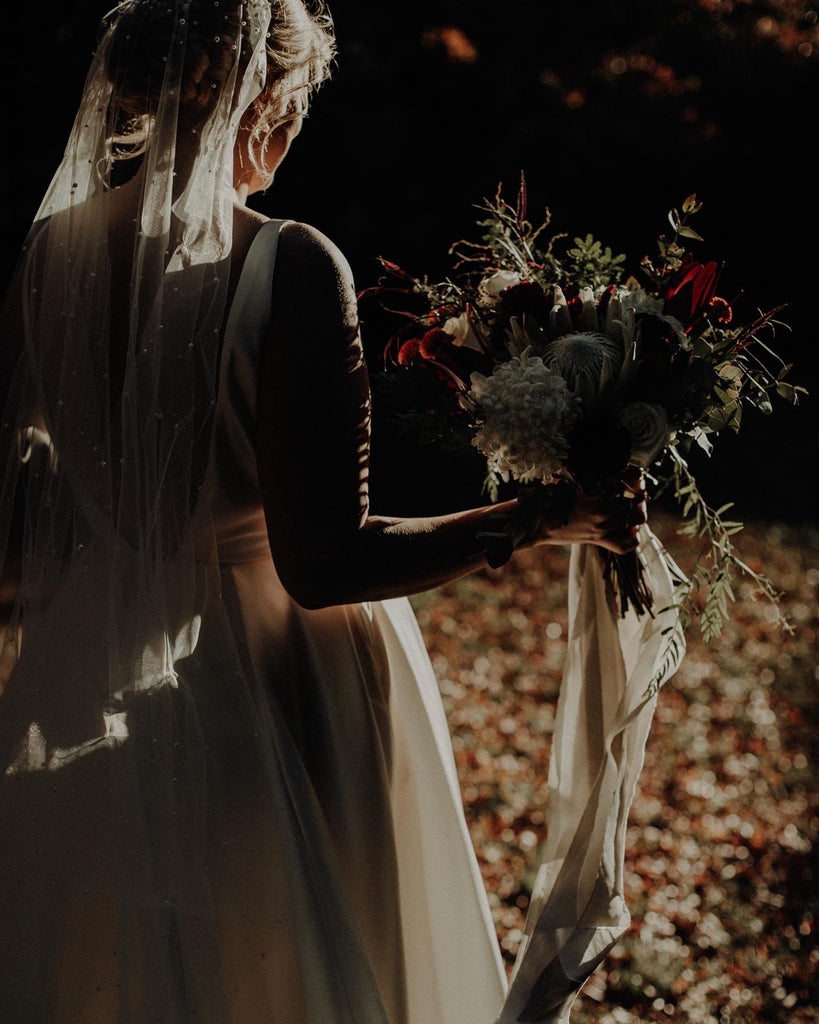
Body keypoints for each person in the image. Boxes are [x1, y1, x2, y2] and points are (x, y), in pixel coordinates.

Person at [0, 2, 647, 1022]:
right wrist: (534, 517)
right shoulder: (287, 263)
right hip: (276, 677)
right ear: (266, 102)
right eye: (297, 106)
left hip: (95, 665)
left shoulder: (49, 262)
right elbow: (324, 561)